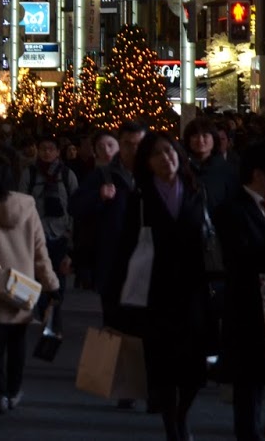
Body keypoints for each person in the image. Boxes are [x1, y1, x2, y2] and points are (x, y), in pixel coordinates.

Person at [108, 132, 216, 440]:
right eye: (157, 154)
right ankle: (173, 424)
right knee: (165, 365)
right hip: (156, 291)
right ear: (147, 163)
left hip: (194, 288)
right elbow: (125, 247)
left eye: (169, 152)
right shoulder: (139, 198)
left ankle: (182, 413)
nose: (166, 158)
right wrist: (116, 295)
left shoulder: (197, 191)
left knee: (195, 368)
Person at [0, 152, 58, 414]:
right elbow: (40, 249)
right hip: (22, 284)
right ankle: (14, 391)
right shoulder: (27, 206)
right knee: (17, 343)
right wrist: (51, 282)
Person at [214, 139, 265, 441]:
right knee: (249, 385)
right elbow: (239, 259)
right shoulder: (231, 210)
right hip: (248, 310)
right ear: (258, 174)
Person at [72, 122, 142, 335]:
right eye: (127, 144)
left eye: (138, 144)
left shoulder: (153, 174)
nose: (106, 150)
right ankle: (112, 366)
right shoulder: (101, 176)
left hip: (145, 259)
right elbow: (75, 206)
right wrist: (99, 196)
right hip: (112, 259)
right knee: (114, 323)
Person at [23, 134, 76, 334]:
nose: (47, 152)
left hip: (61, 232)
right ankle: (44, 309)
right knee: (39, 274)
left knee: (58, 274)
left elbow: (74, 204)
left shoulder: (66, 174)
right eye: (43, 148)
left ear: (57, 152)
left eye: (51, 149)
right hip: (37, 232)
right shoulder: (30, 174)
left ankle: (54, 312)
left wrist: (71, 231)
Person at [186, 117, 238, 212]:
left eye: (205, 135)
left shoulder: (227, 170)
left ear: (214, 139)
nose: (200, 140)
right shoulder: (182, 169)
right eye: (195, 136)